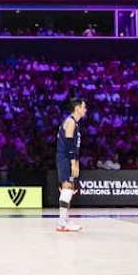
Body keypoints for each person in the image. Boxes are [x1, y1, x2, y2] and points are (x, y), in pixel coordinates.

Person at [56, 97, 87, 232]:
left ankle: (65, 220)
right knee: (67, 186)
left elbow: (74, 146)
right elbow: (69, 145)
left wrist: (77, 162)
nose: (85, 110)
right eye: (84, 107)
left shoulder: (75, 123)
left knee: (70, 188)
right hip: (65, 158)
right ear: (77, 108)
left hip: (68, 158)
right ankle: (62, 223)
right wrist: (73, 162)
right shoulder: (70, 122)